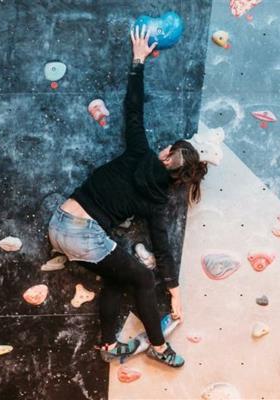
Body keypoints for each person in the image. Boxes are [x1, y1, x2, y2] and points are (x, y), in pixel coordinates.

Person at [47, 25, 208, 368]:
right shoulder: (157, 202)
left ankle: (108, 346)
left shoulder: (139, 152)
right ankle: (159, 347)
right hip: (83, 233)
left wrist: (138, 61)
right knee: (143, 277)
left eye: (168, 148)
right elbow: (162, 246)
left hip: (61, 220)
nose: (165, 147)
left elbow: (133, 108)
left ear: (167, 157)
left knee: (121, 276)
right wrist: (175, 291)